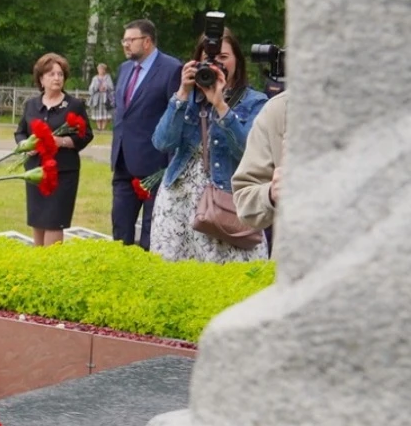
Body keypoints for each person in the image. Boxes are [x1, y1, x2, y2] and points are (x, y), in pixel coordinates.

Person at [147, 27, 270, 263]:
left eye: (224, 58)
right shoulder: (188, 99)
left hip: (227, 200)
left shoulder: (255, 102)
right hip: (179, 202)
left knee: (235, 273)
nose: (217, 65)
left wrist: (221, 106)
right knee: (175, 273)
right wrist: (182, 92)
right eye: (209, 60)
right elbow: (162, 143)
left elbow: (248, 152)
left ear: (237, 60)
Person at [109, 19, 182, 249]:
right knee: (120, 230)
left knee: (152, 235)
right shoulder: (125, 68)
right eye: (124, 40)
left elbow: (176, 117)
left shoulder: (171, 69)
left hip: (155, 166)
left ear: (147, 42)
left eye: (131, 40)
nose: (126, 45)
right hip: (123, 162)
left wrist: (171, 164)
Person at [15, 52, 93, 246]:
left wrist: (63, 141)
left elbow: (86, 134)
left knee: (53, 221)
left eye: (60, 74)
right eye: (51, 74)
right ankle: (39, 263)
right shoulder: (31, 105)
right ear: (41, 79)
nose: (57, 78)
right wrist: (24, 147)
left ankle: (51, 266)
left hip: (61, 173)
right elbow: (20, 132)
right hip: (35, 171)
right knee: (38, 219)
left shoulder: (74, 105)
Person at [231, 88, 289, 243]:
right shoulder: (279, 110)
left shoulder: (255, 101)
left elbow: (239, 146)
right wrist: (271, 193)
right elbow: (163, 142)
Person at [87, 61, 113, 129]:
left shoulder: (108, 77)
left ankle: (103, 128)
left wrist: (105, 87)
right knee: (97, 114)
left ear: (104, 70)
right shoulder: (95, 78)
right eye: (99, 69)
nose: (100, 70)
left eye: (102, 69)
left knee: (105, 114)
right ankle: (99, 128)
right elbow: (91, 89)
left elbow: (111, 87)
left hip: (105, 98)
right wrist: (97, 87)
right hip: (97, 99)